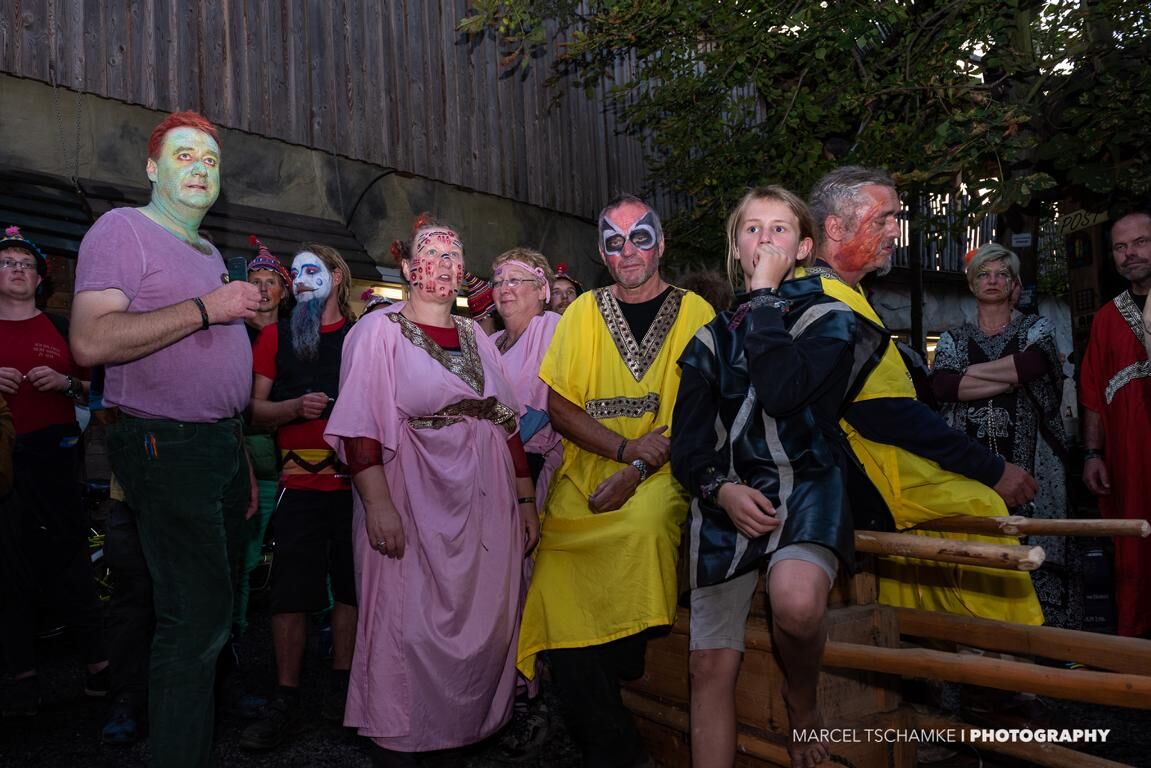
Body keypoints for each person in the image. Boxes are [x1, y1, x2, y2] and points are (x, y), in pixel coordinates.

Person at [672, 187, 890, 768]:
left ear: (803, 249)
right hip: (728, 495)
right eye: (752, 229)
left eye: (779, 229)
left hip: (807, 483)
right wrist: (720, 490)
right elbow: (688, 446)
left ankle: (802, 699)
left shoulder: (831, 318)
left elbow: (783, 391)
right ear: (735, 247)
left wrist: (766, 299)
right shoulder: (708, 337)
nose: (764, 239)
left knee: (795, 603)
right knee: (708, 664)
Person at [70, 111, 261, 768]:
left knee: (212, 611)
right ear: (152, 169)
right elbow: (90, 340)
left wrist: (239, 459)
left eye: (210, 159)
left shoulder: (208, 253)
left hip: (217, 447)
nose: (200, 168)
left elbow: (215, 376)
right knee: (195, 615)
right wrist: (210, 309)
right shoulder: (123, 228)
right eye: (184, 155)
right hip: (164, 444)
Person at [325, 217, 538, 767]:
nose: (443, 265)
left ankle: (458, 736)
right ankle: (402, 738)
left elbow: (506, 423)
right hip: (411, 493)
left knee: (487, 625)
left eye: (453, 256)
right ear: (406, 267)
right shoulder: (379, 332)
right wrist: (377, 505)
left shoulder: (478, 337)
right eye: (431, 254)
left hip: (486, 500)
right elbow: (361, 424)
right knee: (409, 624)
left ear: (464, 271)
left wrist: (524, 499)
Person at [516, 194, 715, 768]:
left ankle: (625, 660)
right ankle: (623, 754)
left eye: (640, 237)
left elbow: (701, 411)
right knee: (554, 583)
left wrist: (639, 467)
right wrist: (624, 449)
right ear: (602, 253)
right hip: (585, 471)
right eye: (614, 241)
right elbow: (559, 406)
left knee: (644, 530)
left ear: (661, 244)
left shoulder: (697, 313)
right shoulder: (582, 312)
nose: (628, 251)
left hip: (663, 474)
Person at [805, 166, 1042, 625]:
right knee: (982, 507)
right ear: (835, 228)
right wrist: (992, 470)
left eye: (895, 218)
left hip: (875, 469)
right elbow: (887, 414)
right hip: (864, 474)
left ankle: (928, 642)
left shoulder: (842, 294)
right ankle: (1011, 652)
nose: (896, 231)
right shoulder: (831, 303)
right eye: (883, 219)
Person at [241, 244, 359, 749]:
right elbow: (252, 410)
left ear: (337, 276)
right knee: (289, 593)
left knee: (352, 588)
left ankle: (345, 691)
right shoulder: (275, 336)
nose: (302, 280)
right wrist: (292, 408)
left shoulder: (361, 337)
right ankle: (286, 698)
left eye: (312, 270)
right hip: (298, 485)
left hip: (356, 487)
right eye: (296, 273)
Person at [931, 243, 1080, 631]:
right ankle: (986, 640)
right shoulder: (953, 338)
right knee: (981, 545)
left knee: (1040, 544)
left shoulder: (1037, 329)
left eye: (1001, 274)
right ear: (971, 283)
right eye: (984, 274)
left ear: (1014, 284)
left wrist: (970, 374)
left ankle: (1052, 645)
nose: (993, 281)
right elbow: (943, 387)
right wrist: (1008, 377)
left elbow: (1032, 365)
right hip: (972, 465)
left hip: (1037, 458)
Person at [0, 225, 110, 717]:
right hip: (3, 462)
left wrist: (67, 383)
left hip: (56, 454)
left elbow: (100, 393)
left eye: (26, 264)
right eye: (7, 262)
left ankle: (98, 667)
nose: (17, 269)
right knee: (7, 566)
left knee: (70, 561)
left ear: (40, 278)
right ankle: (22, 676)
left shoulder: (63, 328)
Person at [489, 247, 563, 760]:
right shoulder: (490, 341)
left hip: (529, 470)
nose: (506, 288)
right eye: (499, 280)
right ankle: (495, 695)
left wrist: (495, 448)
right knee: (495, 585)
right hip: (487, 471)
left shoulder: (550, 329)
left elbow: (540, 408)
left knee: (523, 580)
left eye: (518, 279)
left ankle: (529, 700)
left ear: (542, 290)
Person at [1080, 211, 1151, 638]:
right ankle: (1136, 657)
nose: (1130, 254)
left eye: (1141, 242)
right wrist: (1092, 453)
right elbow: (1092, 391)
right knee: (1134, 550)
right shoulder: (1107, 318)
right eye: (1121, 247)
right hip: (1130, 459)